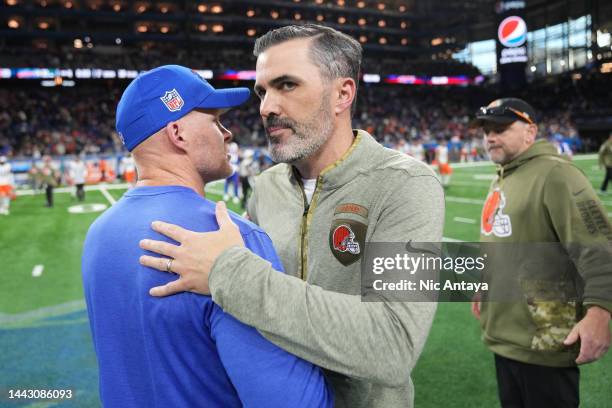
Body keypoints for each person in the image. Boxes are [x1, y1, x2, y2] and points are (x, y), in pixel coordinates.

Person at [139, 25, 444, 408]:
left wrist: (228, 272)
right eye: (262, 91)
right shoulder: (266, 189)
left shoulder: (406, 185)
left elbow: (393, 346)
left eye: (287, 85)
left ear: (342, 94)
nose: (266, 107)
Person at [82, 65, 333, 408]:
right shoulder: (231, 237)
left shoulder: (98, 233)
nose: (227, 132)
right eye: (215, 120)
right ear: (178, 134)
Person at [470, 98, 612, 408]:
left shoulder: (556, 174)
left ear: (530, 132)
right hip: (506, 337)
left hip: (544, 341)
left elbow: (599, 247)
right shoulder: (504, 175)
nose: (490, 137)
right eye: (486, 130)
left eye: (501, 128)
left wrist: (601, 311)